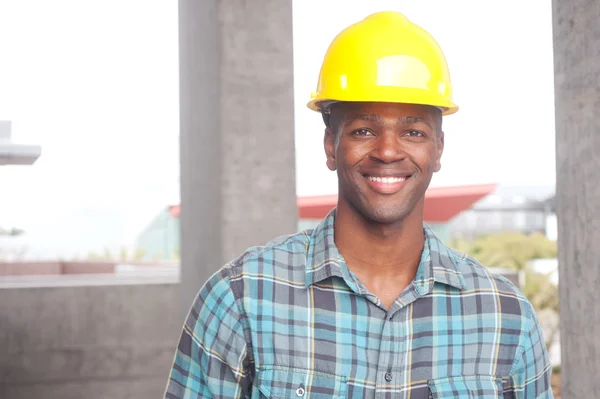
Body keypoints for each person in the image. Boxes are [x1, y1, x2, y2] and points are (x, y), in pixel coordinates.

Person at [164, 11, 553, 399]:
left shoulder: (507, 319)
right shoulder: (240, 299)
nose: (387, 151)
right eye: (363, 130)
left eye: (413, 131)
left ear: (438, 150)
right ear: (331, 146)